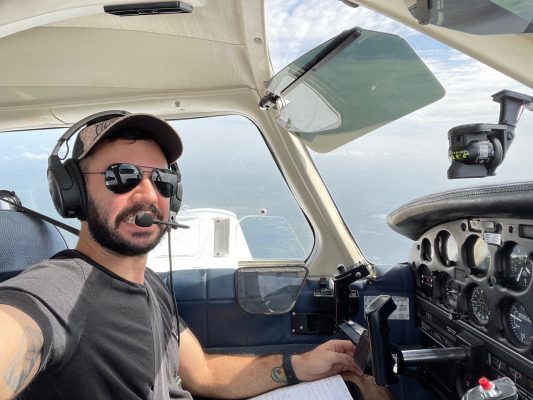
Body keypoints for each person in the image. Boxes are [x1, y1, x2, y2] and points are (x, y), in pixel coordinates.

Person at [0, 111, 388, 400]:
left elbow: (202, 373)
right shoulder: (59, 291)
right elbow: (14, 332)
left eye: (163, 180)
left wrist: (299, 365)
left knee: (357, 384)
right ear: (73, 193)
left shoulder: (150, 283)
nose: (149, 195)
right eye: (122, 176)